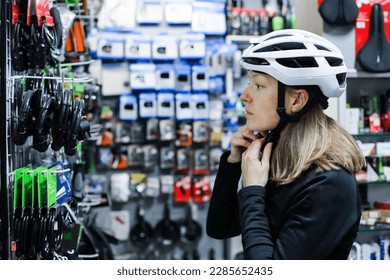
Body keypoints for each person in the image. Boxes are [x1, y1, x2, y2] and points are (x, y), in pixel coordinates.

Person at [206, 29, 366, 260]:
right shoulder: (278, 149)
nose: (244, 95)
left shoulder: (329, 184)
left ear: (296, 100)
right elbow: (220, 228)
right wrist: (233, 164)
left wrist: (253, 191)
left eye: (258, 86)